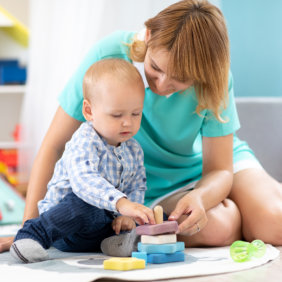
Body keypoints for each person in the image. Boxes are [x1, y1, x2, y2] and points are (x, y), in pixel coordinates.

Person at [1, 0, 282, 254]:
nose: (161, 85)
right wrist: (29, 230)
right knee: (220, 226)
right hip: (144, 186)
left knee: (274, 222)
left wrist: (202, 195)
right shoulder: (110, 55)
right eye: (156, 68)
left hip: (213, 166)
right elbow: (53, 145)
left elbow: (220, 168)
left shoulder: (215, 78)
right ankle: (235, 214)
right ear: (148, 36)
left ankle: (240, 208)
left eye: (181, 80)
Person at [9, 58, 155, 263]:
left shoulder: (134, 149)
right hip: (67, 226)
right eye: (116, 115)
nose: (127, 122)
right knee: (86, 206)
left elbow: (136, 186)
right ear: (89, 111)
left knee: (154, 215)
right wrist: (121, 203)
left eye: (135, 113)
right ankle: (33, 234)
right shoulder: (85, 140)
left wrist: (129, 215)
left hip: (100, 225)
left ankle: (116, 242)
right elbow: (84, 181)